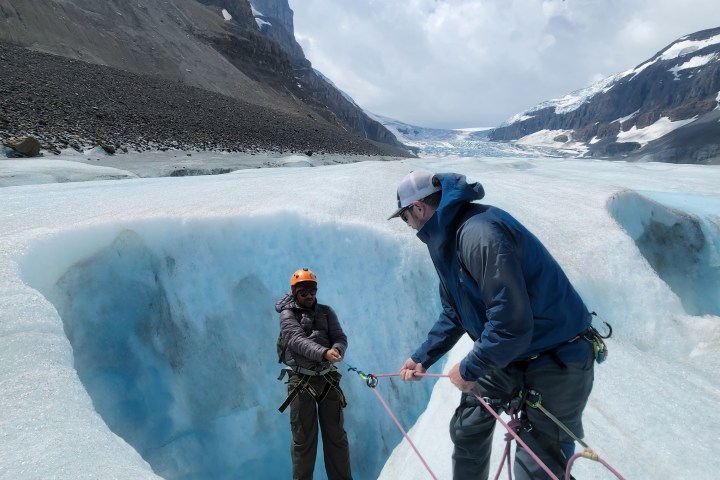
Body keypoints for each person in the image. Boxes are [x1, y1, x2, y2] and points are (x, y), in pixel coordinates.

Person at [388, 169, 595, 480]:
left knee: (539, 465)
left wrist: (470, 368)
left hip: (556, 358)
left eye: (404, 217)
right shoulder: (448, 241)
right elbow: (456, 312)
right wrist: (422, 356)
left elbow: (511, 324)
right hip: (509, 355)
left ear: (418, 208)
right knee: (468, 426)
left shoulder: (479, 234)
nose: (407, 225)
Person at [275, 268, 352, 480]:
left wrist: (338, 349)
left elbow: (339, 336)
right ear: (294, 293)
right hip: (301, 381)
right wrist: (324, 353)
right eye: (303, 292)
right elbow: (295, 340)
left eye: (312, 291)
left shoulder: (326, 312)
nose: (309, 296)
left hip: (327, 379)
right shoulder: (287, 314)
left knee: (336, 437)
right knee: (303, 440)